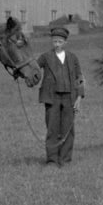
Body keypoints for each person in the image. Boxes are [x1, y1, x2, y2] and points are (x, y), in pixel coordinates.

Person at [37, 26, 85, 166]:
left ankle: (65, 160)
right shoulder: (46, 57)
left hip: (70, 98)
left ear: (65, 42)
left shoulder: (72, 58)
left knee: (68, 130)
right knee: (52, 129)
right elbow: (33, 68)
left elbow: (79, 77)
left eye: (60, 42)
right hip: (52, 98)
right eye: (54, 41)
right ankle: (52, 160)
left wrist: (79, 96)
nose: (57, 44)